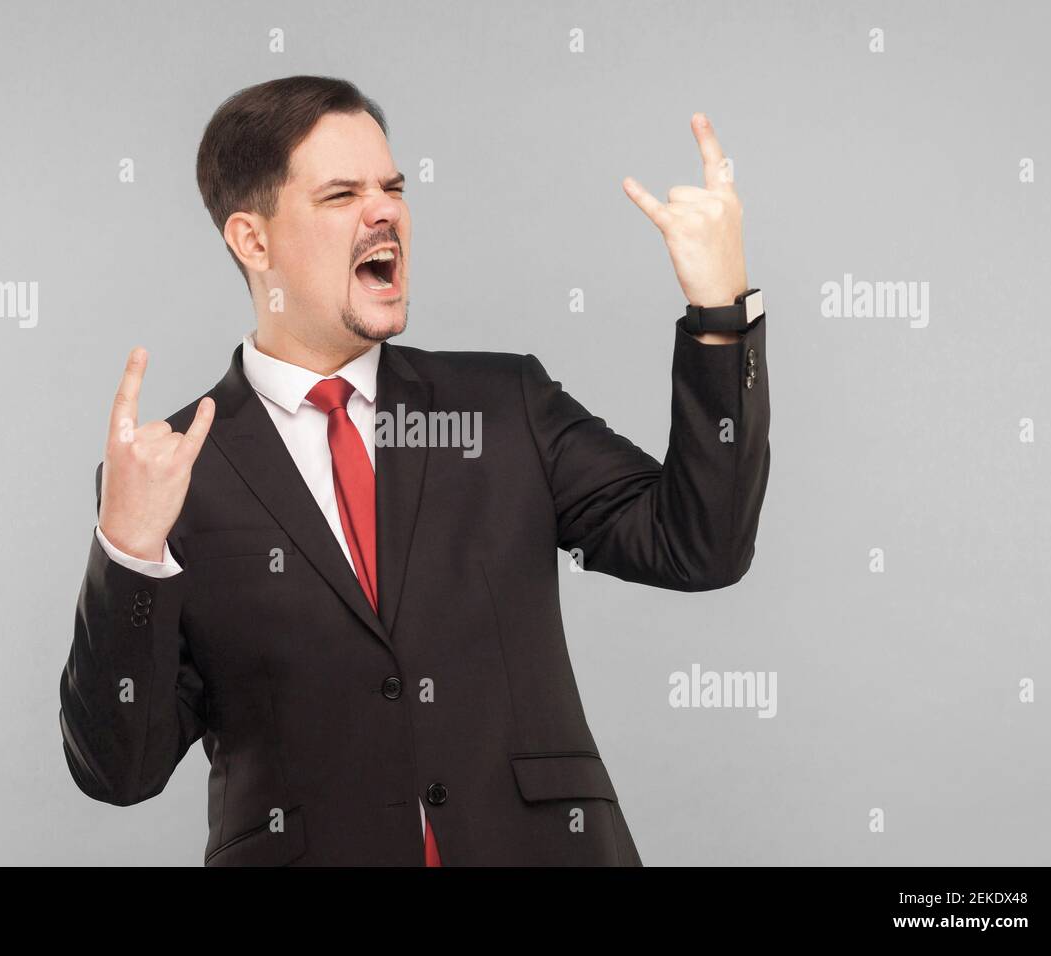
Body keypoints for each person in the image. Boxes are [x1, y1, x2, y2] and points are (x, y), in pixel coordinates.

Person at [58, 75, 770, 866]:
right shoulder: (173, 472)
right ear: (252, 242)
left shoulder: (505, 405)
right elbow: (119, 769)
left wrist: (720, 316)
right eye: (340, 195)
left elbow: (698, 547)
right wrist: (127, 550)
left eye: (392, 187)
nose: (384, 209)